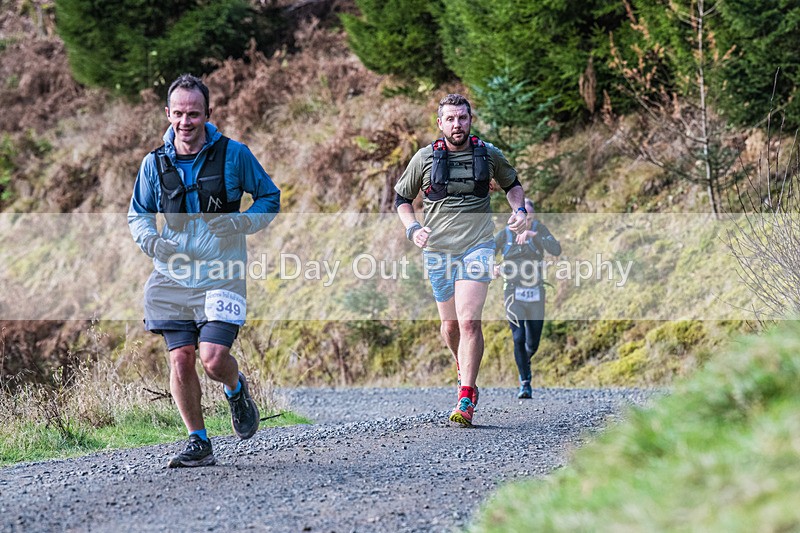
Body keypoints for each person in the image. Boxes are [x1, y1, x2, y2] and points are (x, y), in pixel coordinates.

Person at [128, 74, 280, 467]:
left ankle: (235, 387)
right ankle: (199, 441)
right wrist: (153, 242)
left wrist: (241, 223)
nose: (185, 122)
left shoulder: (234, 155)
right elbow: (139, 214)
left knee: (212, 359)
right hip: (171, 276)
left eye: (193, 114)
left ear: (207, 114)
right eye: (177, 113)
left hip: (222, 272)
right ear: (167, 113)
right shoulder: (153, 163)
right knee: (180, 359)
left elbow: (270, 198)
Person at [395, 93, 527, 427]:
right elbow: (401, 198)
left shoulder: (489, 153)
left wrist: (520, 209)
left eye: (463, 118)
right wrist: (413, 229)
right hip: (438, 249)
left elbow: (513, 185)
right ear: (440, 123)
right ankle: (461, 367)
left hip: (478, 245)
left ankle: (466, 396)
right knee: (451, 326)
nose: (457, 125)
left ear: (471, 120)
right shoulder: (425, 158)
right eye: (451, 119)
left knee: (469, 322)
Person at [493, 198, 561, 399]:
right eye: (521, 216)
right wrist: (493, 266)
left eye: (529, 217)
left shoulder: (539, 230)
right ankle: (525, 383)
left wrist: (534, 235)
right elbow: (487, 252)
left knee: (532, 343)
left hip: (536, 293)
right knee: (518, 337)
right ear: (513, 217)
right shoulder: (504, 235)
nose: (525, 220)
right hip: (513, 293)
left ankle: (525, 360)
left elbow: (556, 249)